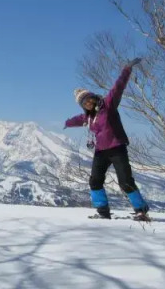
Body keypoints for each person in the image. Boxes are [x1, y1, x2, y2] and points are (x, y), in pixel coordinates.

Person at [64, 58, 150, 221]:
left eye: (89, 99)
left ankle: (141, 210)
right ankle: (103, 212)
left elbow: (118, 88)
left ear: (93, 97)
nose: (88, 103)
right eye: (84, 103)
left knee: (125, 181)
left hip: (117, 148)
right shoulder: (87, 117)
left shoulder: (108, 105)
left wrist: (126, 69)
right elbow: (76, 119)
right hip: (100, 152)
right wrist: (66, 123)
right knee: (95, 181)